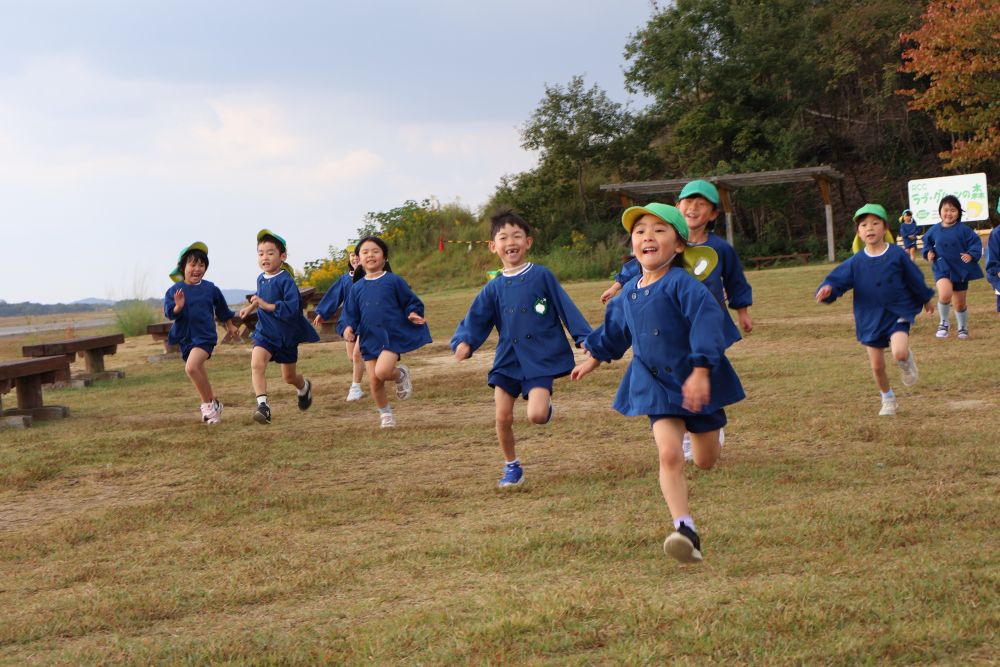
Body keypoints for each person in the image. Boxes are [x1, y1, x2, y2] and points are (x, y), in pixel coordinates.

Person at [571, 203, 744, 564]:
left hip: (698, 385)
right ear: (633, 246)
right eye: (640, 231)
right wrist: (593, 358)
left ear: (679, 245)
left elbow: (707, 326)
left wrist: (699, 371)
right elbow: (616, 333)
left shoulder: (685, 285)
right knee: (668, 454)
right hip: (654, 384)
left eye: (660, 230)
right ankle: (685, 528)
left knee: (706, 460)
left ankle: (707, 436)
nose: (648, 236)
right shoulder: (629, 292)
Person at [452, 209, 592, 488]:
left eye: (517, 235)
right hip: (508, 359)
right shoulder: (493, 287)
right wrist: (464, 341)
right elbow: (476, 317)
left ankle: (545, 405)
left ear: (528, 242)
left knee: (537, 416)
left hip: (539, 358)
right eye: (503, 237)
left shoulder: (542, 275)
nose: (510, 241)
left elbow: (565, 306)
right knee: (502, 416)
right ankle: (511, 466)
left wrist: (583, 337)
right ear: (494, 247)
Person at [815, 204, 934, 417]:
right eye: (864, 225)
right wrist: (828, 290)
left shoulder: (897, 255)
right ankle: (887, 398)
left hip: (897, 311)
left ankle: (905, 361)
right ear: (859, 232)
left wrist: (926, 298)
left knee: (898, 351)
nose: (869, 228)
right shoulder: (856, 262)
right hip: (869, 318)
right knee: (877, 367)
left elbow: (914, 278)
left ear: (885, 228)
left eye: (875, 223)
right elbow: (836, 281)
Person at [337, 236, 431, 429]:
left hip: (391, 336)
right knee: (374, 381)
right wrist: (347, 328)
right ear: (358, 259)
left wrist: (412, 313)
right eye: (365, 252)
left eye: (375, 251)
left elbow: (410, 302)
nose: (370, 255)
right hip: (369, 339)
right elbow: (349, 315)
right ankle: (385, 414)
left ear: (384, 257)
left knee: (383, 371)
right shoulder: (356, 288)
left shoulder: (394, 281)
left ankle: (400, 375)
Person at [239, 229, 320, 424]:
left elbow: (293, 308)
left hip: (286, 336)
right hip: (265, 333)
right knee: (256, 364)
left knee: (289, 377)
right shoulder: (261, 278)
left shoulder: (286, 280)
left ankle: (304, 387)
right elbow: (261, 298)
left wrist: (268, 306)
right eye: (260, 253)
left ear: (282, 256)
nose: (264, 257)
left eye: (270, 252)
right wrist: (251, 307)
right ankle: (263, 406)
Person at [164, 242, 239, 424]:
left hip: (205, 336)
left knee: (191, 368)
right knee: (199, 371)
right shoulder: (175, 291)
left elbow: (222, 308)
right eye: (193, 264)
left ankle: (208, 407)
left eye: (201, 265)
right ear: (183, 267)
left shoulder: (210, 288)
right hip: (186, 338)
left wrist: (229, 325)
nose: (197, 269)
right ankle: (214, 402)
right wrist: (178, 307)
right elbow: (169, 312)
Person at [922, 195, 984, 339]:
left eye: (953, 210)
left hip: (960, 270)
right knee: (944, 294)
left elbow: (975, 244)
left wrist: (971, 255)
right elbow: (927, 244)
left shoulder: (964, 230)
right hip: (941, 267)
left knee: (960, 304)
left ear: (958, 213)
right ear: (940, 211)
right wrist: (928, 253)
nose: (949, 213)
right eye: (946, 210)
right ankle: (944, 323)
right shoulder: (934, 230)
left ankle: (963, 328)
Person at [313, 247, 366, 401]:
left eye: (358, 255)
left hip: (367, 319)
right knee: (352, 357)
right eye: (352, 255)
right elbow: (333, 296)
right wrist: (322, 312)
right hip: (349, 321)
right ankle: (377, 367)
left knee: (357, 355)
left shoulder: (369, 276)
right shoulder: (344, 279)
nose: (355, 258)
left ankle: (355, 388)